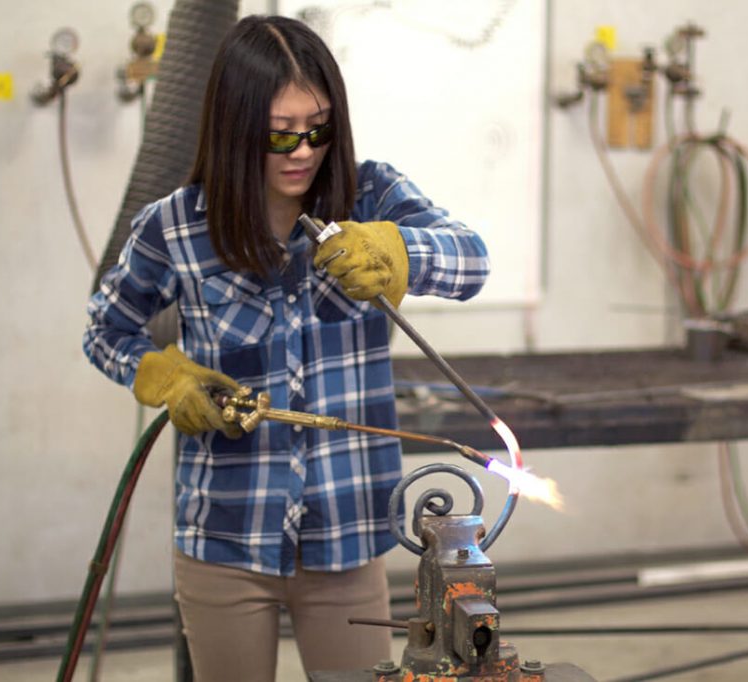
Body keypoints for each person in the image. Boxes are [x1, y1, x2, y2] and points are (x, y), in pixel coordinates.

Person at [83, 14, 489, 680]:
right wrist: (163, 375)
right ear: (234, 127)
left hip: (349, 536)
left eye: (317, 127)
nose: (302, 149)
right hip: (224, 539)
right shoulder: (177, 227)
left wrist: (397, 250)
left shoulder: (371, 193)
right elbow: (105, 329)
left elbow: (474, 261)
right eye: (279, 132)